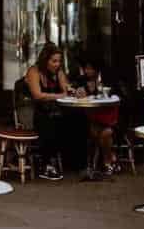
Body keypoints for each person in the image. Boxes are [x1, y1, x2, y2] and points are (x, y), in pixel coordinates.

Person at [21, 46, 76, 180]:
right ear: (45, 60)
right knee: (50, 121)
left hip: (52, 111)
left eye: (59, 61)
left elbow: (65, 89)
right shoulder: (34, 71)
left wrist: (71, 90)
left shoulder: (59, 72)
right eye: (54, 61)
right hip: (31, 112)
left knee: (75, 118)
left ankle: (74, 162)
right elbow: (37, 95)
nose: (57, 64)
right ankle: (46, 163)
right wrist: (60, 95)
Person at [75, 60, 120, 177]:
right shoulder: (81, 81)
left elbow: (114, 99)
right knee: (96, 130)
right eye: (86, 68)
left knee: (106, 132)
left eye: (90, 68)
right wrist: (78, 93)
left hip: (109, 119)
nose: (87, 71)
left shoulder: (107, 81)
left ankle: (106, 161)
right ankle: (109, 160)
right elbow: (75, 93)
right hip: (91, 118)